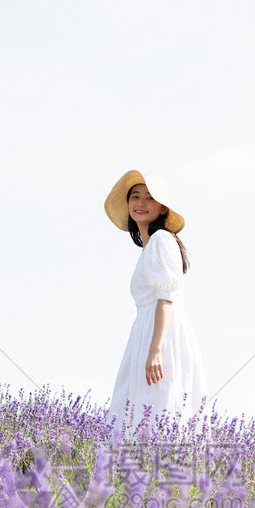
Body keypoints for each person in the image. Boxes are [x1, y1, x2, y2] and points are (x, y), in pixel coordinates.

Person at [104, 169, 207, 430]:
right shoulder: (148, 248)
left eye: (149, 198)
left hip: (161, 335)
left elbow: (166, 298)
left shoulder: (162, 239)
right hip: (145, 333)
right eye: (135, 197)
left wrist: (156, 350)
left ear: (162, 208)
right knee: (131, 412)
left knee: (157, 410)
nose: (140, 203)